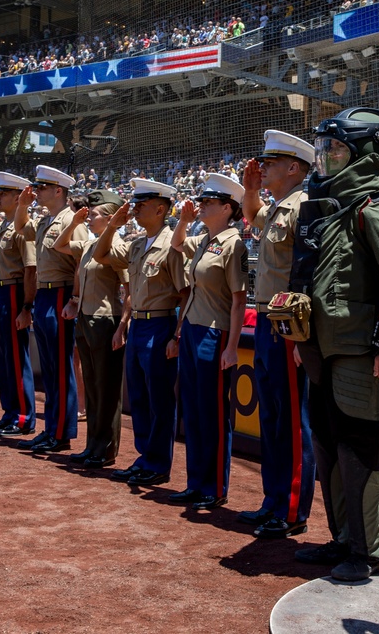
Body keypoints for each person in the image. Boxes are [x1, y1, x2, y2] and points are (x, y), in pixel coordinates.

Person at [291, 108, 379, 582]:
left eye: (336, 149)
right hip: (322, 350)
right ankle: (341, 539)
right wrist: (299, 337)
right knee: (328, 447)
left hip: (360, 352)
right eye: (324, 149)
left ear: (368, 151)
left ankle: (367, 548)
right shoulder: (328, 205)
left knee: (360, 450)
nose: (326, 158)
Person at [238, 130, 317, 540]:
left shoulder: (305, 205)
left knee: (290, 421)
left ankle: (291, 510)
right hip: (267, 322)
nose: (262, 169)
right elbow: (253, 217)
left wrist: (303, 336)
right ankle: (272, 500)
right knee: (271, 418)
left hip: (288, 324)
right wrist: (251, 190)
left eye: (269, 164)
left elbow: (311, 269)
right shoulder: (280, 206)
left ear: (293, 167)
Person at [94, 178, 188, 487]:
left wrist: (176, 335)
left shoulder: (171, 245)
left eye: (142, 205)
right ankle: (145, 457)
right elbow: (100, 255)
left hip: (160, 324)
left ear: (160, 209)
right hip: (138, 326)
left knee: (159, 398)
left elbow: (185, 294)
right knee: (138, 396)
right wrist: (112, 226)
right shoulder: (136, 244)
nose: (134, 209)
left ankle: (158, 463)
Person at [169, 173, 248, 511]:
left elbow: (239, 300)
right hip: (191, 330)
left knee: (213, 415)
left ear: (228, 208)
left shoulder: (233, 243)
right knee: (194, 413)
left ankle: (214, 486)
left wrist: (231, 347)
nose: (201, 206)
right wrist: (185, 220)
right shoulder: (205, 239)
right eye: (201, 201)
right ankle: (195, 482)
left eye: (209, 202)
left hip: (214, 335)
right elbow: (176, 243)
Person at [13, 165, 88, 453]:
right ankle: (51, 429)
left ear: (59, 190)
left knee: (61, 367)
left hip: (60, 294)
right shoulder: (47, 220)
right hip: (45, 295)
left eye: (42, 187)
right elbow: (21, 227)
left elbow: (81, 260)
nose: (38, 192)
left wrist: (75, 299)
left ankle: (61, 432)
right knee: (50, 368)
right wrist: (22, 205)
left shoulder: (72, 220)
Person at [53, 190, 130, 469]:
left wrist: (123, 325)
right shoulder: (90, 244)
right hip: (86, 319)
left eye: (94, 214)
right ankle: (92, 446)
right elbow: (59, 246)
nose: (90, 218)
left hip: (106, 319)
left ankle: (106, 449)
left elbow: (129, 290)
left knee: (107, 389)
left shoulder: (117, 247)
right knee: (94, 389)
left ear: (111, 218)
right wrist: (74, 223)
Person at [0, 172, 38, 437]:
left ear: (18, 197)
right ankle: (9, 412)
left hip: (15, 292)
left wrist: (27, 307)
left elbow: (30, 269)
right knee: (5, 358)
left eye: (3, 193)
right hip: (1, 292)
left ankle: (24, 416)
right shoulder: (7, 225)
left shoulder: (23, 228)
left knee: (17, 357)